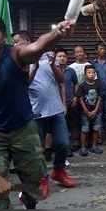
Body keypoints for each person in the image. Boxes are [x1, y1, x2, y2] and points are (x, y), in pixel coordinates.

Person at [0, 15, 74, 208]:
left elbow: (38, 46)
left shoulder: (16, 55)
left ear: (3, 38)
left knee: (36, 184)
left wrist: (57, 32)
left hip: (23, 128)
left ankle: (29, 203)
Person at [29, 50, 76, 188]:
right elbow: (23, 84)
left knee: (63, 144)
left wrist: (52, 65)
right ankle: (41, 179)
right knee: (38, 149)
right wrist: (34, 67)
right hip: (36, 113)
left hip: (56, 110)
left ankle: (58, 171)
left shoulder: (47, 59)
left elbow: (61, 80)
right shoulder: (21, 62)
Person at [56, 48, 80, 153]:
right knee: (61, 127)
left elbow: (76, 84)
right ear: (55, 58)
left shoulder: (71, 71)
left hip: (71, 102)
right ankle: (63, 147)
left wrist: (75, 97)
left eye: (64, 56)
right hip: (57, 104)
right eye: (59, 56)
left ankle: (73, 144)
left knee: (73, 124)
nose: (62, 58)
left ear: (67, 58)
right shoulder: (52, 70)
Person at [76, 65, 103, 156]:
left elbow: (99, 98)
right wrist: (86, 111)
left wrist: (95, 110)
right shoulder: (82, 85)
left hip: (97, 112)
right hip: (85, 112)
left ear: (95, 74)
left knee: (96, 129)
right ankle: (83, 147)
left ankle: (94, 146)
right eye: (89, 72)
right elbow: (80, 99)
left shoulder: (98, 84)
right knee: (85, 129)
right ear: (85, 74)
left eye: (93, 73)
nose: (91, 74)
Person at [91, 43, 106, 140]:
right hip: (98, 91)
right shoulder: (93, 63)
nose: (103, 51)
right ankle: (99, 134)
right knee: (99, 112)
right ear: (96, 51)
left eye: (104, 49)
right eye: (100, 49)